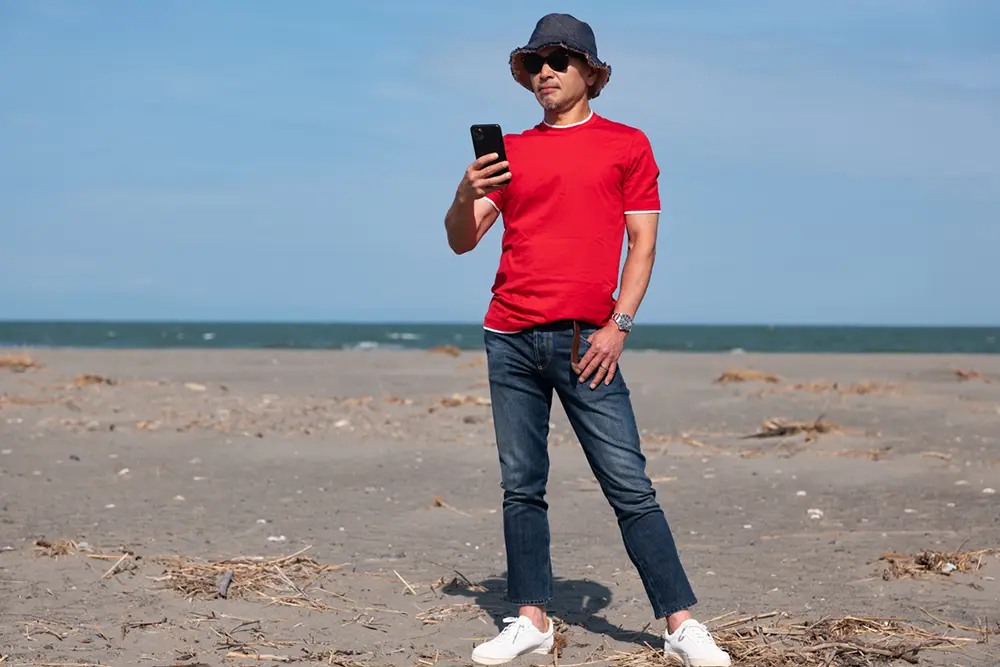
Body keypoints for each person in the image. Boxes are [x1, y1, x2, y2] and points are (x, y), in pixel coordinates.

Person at [443, 13, 731, 667]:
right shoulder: (510, 151)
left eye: (559, 60)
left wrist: (617, 326)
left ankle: (682, 623)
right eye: (534, 62)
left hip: (586, 340)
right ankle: (531, 619)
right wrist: (465, 192)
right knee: (522, 484)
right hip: (508, 333)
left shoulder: (627, 144)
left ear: (592, 74)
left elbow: (643, 242)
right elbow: (463, 238)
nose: (545, 70)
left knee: (630, 484)